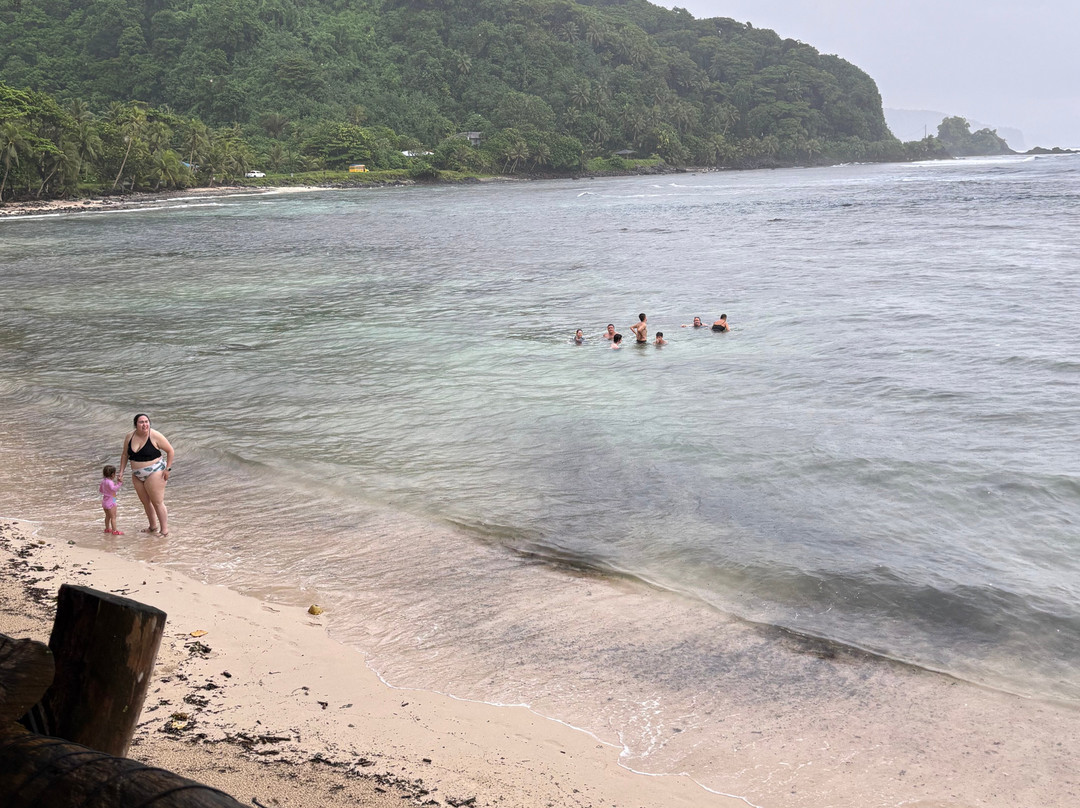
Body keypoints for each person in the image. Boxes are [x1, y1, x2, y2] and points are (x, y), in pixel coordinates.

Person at [118, 413, 175, 537]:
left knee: (157, 502)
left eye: (146, 422)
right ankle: (153, 526)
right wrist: (121, 471)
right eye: (141, 422)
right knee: (145, 502)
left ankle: (164, 530)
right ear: (136, 425)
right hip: (137, 474)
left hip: (155, 471)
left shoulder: (155, 435)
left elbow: (170, 451)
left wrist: (167, 469)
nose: (144, 424)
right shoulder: (129, 437)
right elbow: (124, 455)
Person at [100, 465, 122, 535]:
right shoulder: (110, 482)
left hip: (105, 501)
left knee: (107, 516)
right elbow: (114, 489)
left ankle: (107, 529)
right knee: (113, 517)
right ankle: (114, 531)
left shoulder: (103, 481)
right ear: (112, 474)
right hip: (111, 501)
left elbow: (100, 490)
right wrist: (119, 483)